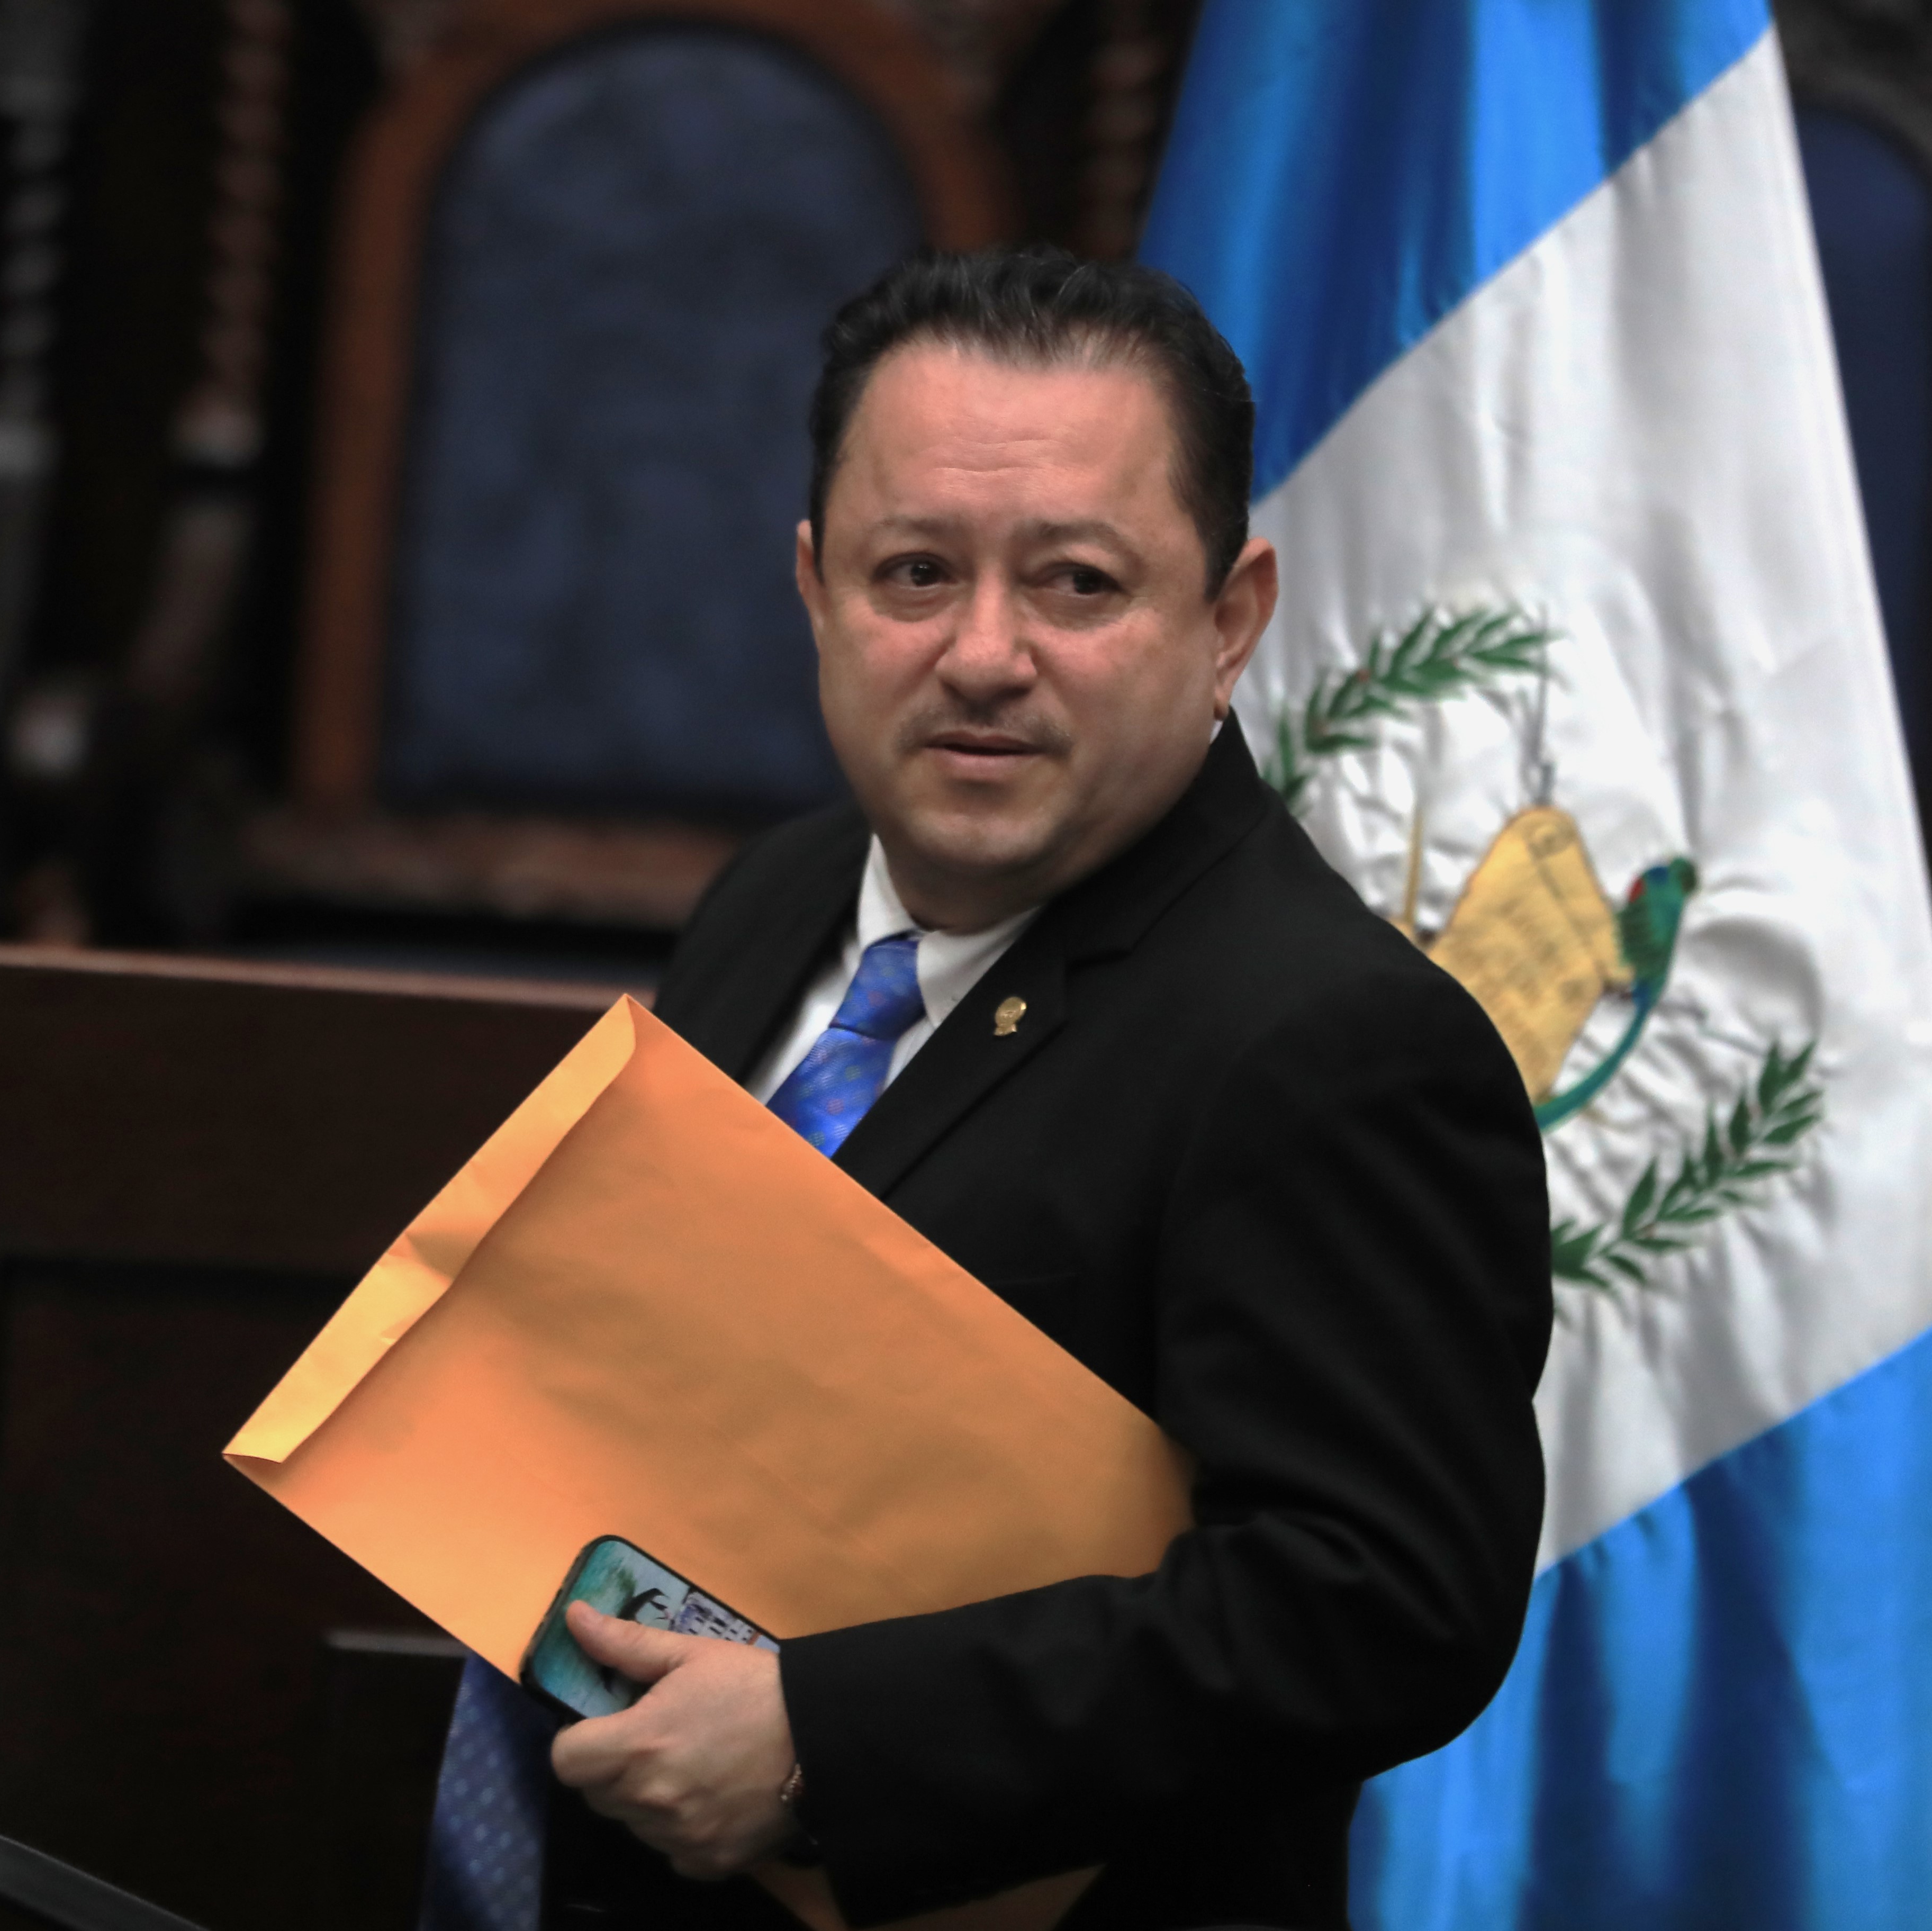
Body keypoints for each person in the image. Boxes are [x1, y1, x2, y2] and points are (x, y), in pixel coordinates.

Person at [535, 247, 1549, 1931]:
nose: (984, 654)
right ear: (814, 589)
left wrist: (825, 1747)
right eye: (914, 572)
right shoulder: (777, 900)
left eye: (1078, 585)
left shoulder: (1339, 1042)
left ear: (1229, 621)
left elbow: (1376, 1603)